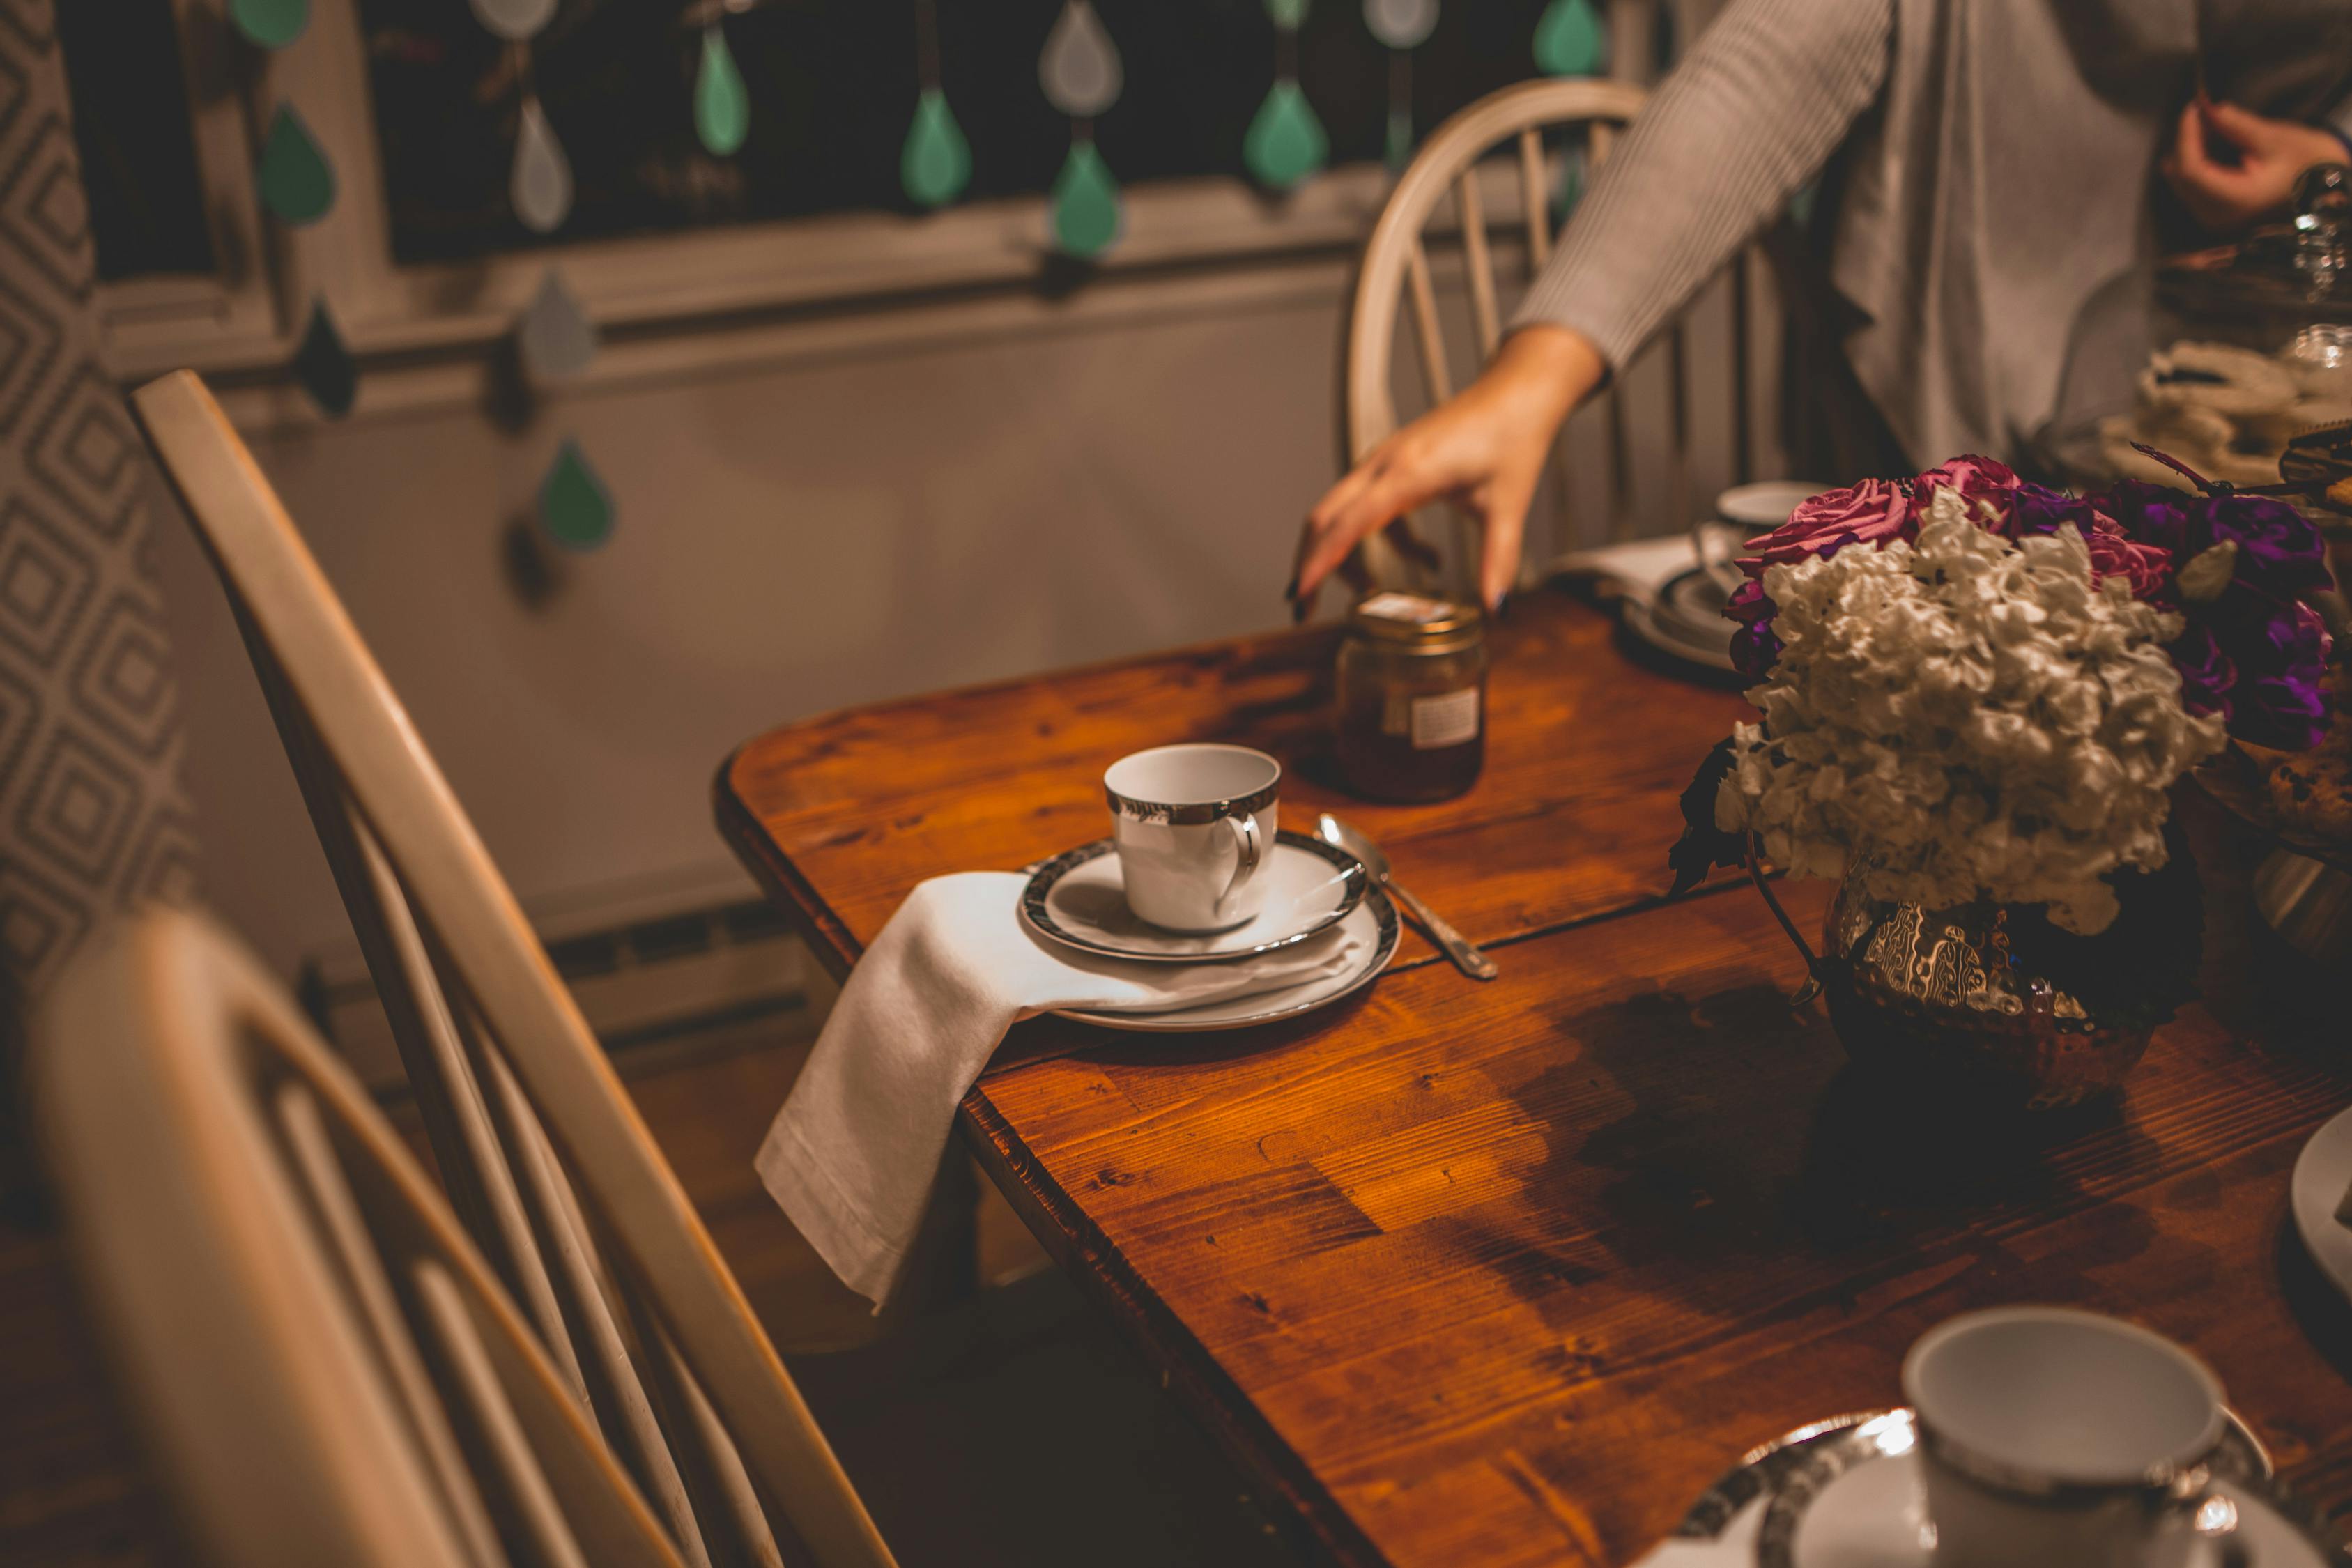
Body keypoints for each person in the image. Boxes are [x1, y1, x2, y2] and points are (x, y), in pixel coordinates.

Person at [1291, 0, 2352, 617]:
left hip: (2279, 415)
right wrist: (1534, 375)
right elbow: (1768, 58)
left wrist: (2340, 164)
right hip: (1953, 413)